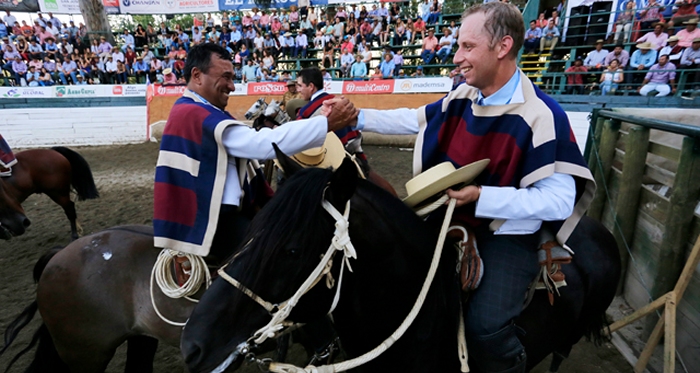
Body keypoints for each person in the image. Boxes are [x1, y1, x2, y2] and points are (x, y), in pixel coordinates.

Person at [325, 4, 594, 372]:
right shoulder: (462, 97)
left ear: (502, 47)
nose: (457, 57)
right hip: (453, 213)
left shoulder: (543, 115)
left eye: (468, 46)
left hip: (506, 234)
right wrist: (358, 115)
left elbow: (559, 201)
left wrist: (482, 197)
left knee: (485, 327)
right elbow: (412, 119)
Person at [153, 43, 358, 265]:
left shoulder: (199, 111)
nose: (232, 86)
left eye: (233, 78)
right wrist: (324, 124)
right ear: (197, 75)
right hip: (215, 223)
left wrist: (321, 121)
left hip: (225, 215)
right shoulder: (193, 112)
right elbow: (261, 144)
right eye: (226, 77)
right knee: (285, 259)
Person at [295, 67, 367, 169]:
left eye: (300, 86)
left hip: (332, 159)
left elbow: (298, 137)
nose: (298, 90)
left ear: (311, 86)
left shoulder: (306, 112)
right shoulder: (337, 101)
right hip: (353, 150)